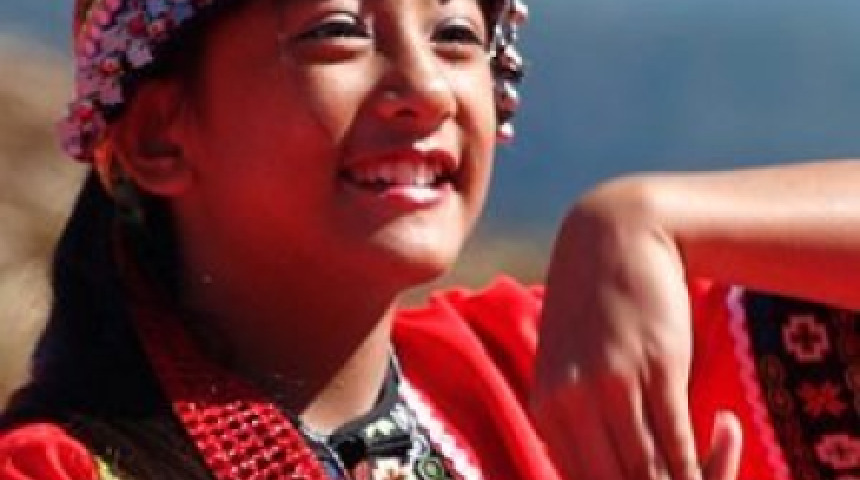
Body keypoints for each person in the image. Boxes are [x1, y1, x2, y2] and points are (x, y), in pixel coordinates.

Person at [0, 1, 855, 480]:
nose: (425, 89)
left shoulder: (543, 373)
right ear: (159, 135)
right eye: (338, 31)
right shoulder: (55, 472)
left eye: (456, 36)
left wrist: (646, 217)